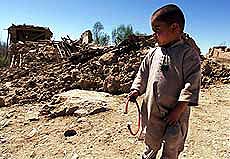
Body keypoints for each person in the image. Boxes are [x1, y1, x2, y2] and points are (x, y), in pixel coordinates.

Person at [128, 4, 201, 159]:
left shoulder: (188, 55)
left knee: (172, 145)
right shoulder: (153, 53)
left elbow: (191, 85)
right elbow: (142, 74)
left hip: (175, 114)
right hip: (152, 110)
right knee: (151, 141)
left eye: (157, 30)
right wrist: (135, 89)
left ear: (174, 28)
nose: (154, 35)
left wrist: (178, 111)